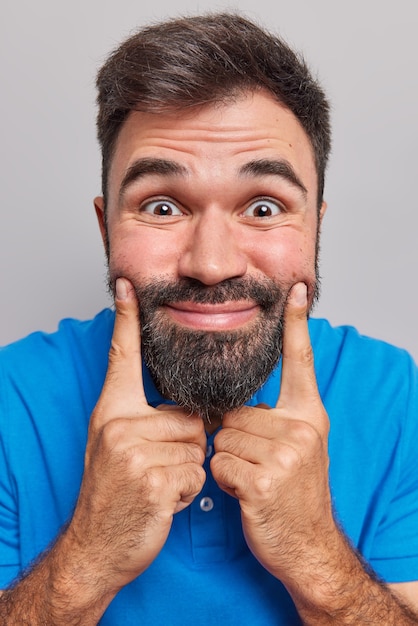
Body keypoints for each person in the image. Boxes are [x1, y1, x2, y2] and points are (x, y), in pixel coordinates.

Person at [0, 12, 417, 625]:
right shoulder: (10, 397)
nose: (212, 264)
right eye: (163, 206)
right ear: (105, 226)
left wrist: (316, 558)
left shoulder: (396, 395)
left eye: (264, 206)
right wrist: (86, 563)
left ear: (315, 226)